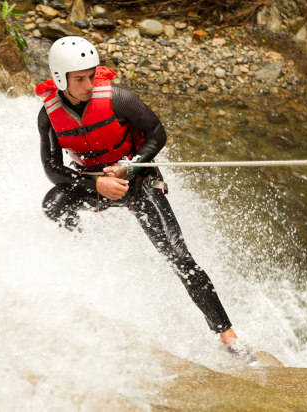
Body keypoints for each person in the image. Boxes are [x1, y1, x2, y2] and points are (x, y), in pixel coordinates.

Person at [36, 36, 255, 365]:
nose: (89, 84)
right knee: (53, 203)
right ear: (59, 79)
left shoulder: (119, 99)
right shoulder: (48, 116)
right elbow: (53, 169)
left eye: (92, 75)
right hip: (96, 184)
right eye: (79, 79)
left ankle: (228, 336)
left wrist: (131, 165)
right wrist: (97, 181)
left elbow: (157, 133)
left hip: (137, 184)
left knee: (181, 258)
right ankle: (82, 250)